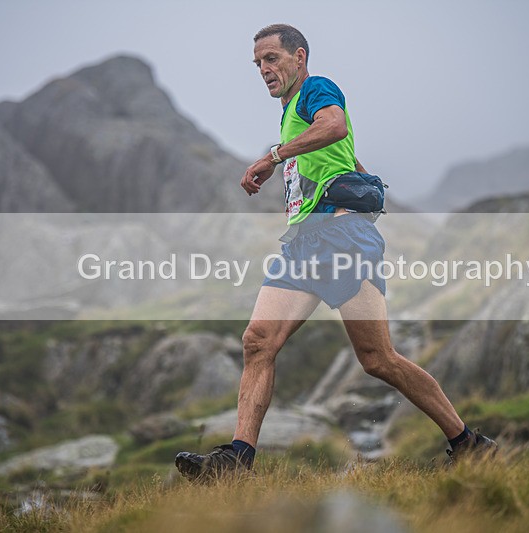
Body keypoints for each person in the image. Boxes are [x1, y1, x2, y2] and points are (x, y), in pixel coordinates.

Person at [175, 24, 496, 480]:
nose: (264, 70)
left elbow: (335, 125)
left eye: (272, 59)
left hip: (341, 237)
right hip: (305, 242)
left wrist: (274, 157)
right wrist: (362, 184)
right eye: (258, 64)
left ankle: (468, 443)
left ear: (299, 57)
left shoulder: (316, 90)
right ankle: (237, 460)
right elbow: (346, 155)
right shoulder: (290, 111)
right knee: (257, 341)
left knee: (377, 359)